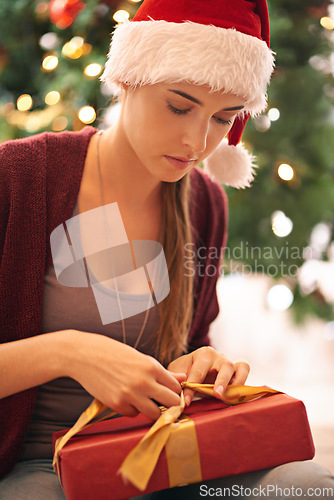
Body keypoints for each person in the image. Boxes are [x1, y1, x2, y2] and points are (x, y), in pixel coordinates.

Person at [0, 0, 333, 498]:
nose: (198, 142)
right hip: (44, 465)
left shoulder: (205, 203)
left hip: (163, 453)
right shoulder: (21, 178)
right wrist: (67, 352)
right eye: (179, 106)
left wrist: (201, 364)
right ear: (131, 77)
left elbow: (189, 344)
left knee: (306, 485)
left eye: (224, 119)